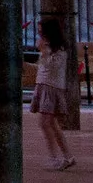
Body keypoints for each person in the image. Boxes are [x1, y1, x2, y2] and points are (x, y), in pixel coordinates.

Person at [32, 17, 76, 170]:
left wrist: (43, 51)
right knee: (51, 124)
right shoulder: (48, 46)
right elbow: (42, 66)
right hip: (44, 85)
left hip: (51, 87)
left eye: (41, 31)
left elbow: (53, 66)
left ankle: (54, 157)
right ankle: (67, 156)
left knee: (45, 123)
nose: (39, 34)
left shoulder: (59, 49)